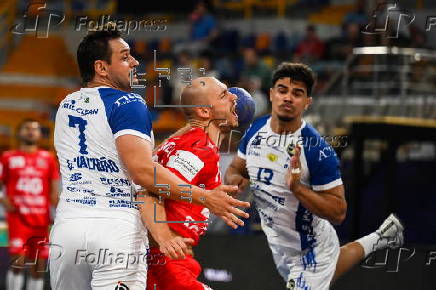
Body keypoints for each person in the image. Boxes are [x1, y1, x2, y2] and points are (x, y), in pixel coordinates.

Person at [49, 27, 249, 289]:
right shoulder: (128, 103)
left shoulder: (66, 105)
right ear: (101, 67)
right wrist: (206, 199)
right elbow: (144, 174)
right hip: (116, 227)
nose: (134, 62)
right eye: (125, 57)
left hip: (68, 228)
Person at [225, 62, 404, 289]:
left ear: (307, 102)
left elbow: (339, 212)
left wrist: (298, 189)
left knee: (321, 269)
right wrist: (235, 180)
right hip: (279, 244)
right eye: (282, 90)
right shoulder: (255, 129)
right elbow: (235, 170)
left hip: (310, 248)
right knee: (336, 264)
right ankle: (382, 237)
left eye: (297, 93)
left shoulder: (317, 150)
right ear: (271, 94)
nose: (288, 98)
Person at [144, 77, 239, 290]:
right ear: (204, 112)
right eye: (224, 94)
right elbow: (149, 193)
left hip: (169, 260)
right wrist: (166, 238)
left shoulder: (182, 141)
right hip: (169, 262)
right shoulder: (198, 149)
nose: (235, 96)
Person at [0, 119, 60, 290]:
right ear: (19, 133)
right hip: (18, 218)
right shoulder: (8, 157)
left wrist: (58, 213)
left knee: (38, 266)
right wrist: (3, 199)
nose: (31, 131)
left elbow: (54, 191)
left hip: (40, 220)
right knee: (17, 263)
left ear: (40, 134)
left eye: (35, 129)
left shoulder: (47, 159)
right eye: (27, 128)